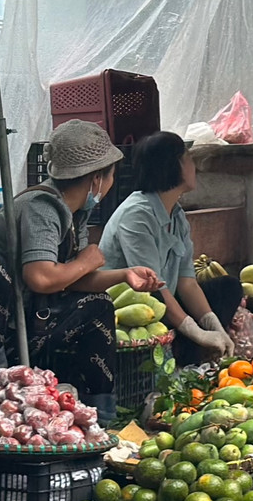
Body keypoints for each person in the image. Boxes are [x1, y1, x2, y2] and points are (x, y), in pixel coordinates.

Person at [0, 120, 162, 423]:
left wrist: (123, 275)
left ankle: (102, 419)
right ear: (97, 178)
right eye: (112, 173)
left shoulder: (75, 213)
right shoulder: (40, 207)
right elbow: (42, 277)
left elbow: (73, 279)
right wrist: (87, 260)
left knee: (98, 304)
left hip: (14, 323)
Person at [100, 131, 239, 364]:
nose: (195, 167)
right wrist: (198, 334)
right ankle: (188, 359)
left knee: (228, 288)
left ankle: (201, 358)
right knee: (175, 313)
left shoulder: (176, 214)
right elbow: (153, 288)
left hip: (165, 301)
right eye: (189, 159)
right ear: (173, 165)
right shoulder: (137, 215)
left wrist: (214, 328)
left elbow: (187, 282)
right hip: (133, 310)